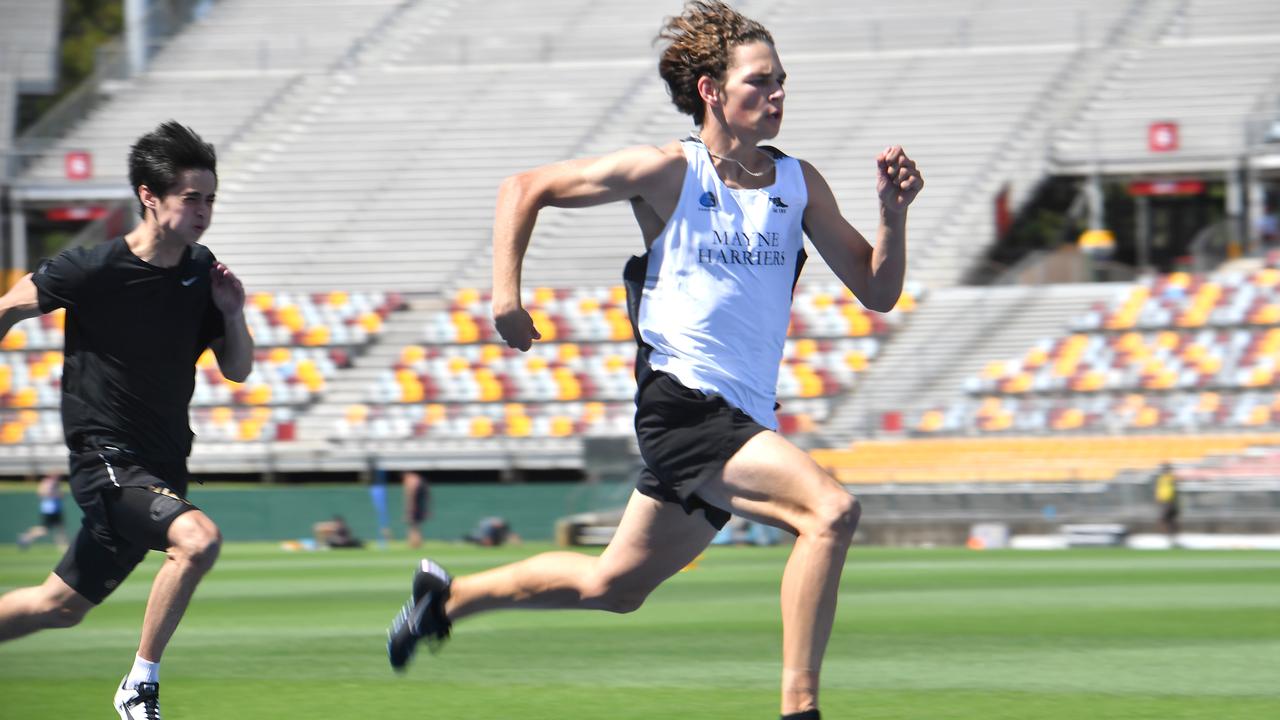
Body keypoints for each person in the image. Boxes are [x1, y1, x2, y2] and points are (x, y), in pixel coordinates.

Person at [385, 3, 922, 718]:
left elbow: (878, 289)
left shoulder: (799, 184)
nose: (779, 95)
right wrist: (505, 296)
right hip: (686, 408)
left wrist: (892, 212)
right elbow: (524, 187)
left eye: (783, 81)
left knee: (615, 587)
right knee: (831, 512)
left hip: (742, 418)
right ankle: (801, 708)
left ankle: (445, 602)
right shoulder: (670, 171)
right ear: (711, 91)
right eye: (761, 82)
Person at [0, 121, 253, 720]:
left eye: (210, 199)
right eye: (192, 197)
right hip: (106, 459)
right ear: (149, 196)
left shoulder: (202, 271)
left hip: (162, 468)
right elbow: (7, 309)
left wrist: (232, 313)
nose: (203, 211)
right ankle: (139, 686)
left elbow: (238, 369)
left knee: (57, 605)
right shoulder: (92, 269)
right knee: (198, 541)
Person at [17, 473, 68, 550]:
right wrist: (52, 492)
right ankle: (26, 536)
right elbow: (41, 494)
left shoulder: (57, 484)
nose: (58, 478)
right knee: (44, 530)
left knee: (60, 529)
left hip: (57, 510)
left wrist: (58, 494)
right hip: (49, 510)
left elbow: (61, 495)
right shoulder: (46, 483)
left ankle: (63, 547)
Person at [402, 470, 431, 548]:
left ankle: (414, 543)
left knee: (413, 526)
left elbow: (411, 496)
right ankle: (416, 543)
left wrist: (409, 510)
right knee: (415, 526)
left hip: (415, 508)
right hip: (419, 507)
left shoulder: (411, 480)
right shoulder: (419, 480)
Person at [1154, 463, 1179, 544]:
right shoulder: (1162, 478)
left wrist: (1171, 501)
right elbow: (1160, 490)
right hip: (1165, 502)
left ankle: (1172, 537)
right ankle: (1171, 537)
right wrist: (1159, 499)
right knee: (1168, 520)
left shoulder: (1170, 478)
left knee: (1167, 519)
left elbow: (1172, 490)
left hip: (1169, 502)